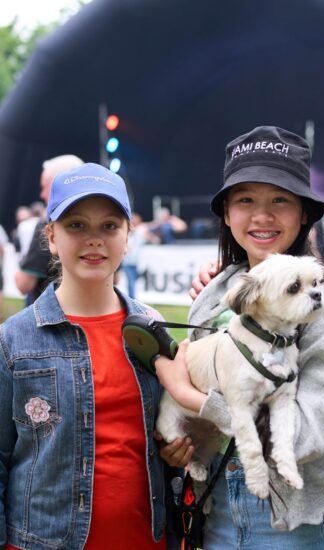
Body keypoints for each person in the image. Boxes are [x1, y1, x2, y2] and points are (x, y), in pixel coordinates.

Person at [154, 126, 324, 549]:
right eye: (245, 199)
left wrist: (191, 397)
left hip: (289, 526)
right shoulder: (214, 295)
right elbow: (201, 426)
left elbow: (309, 433)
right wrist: (183, 444)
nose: (262, 215)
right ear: (227, 213)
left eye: (280, 200)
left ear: (304, 212)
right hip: (216, 517)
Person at [0, 163, 192, 549]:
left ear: (127, 238)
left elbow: (166, 436)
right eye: (76, 225)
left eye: (109, 226)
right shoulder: (13, 341)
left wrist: (176, 448)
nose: (94, 239)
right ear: (51, 236)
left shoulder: (150, 328)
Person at [15, 155, 85, 303]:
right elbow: (116, 277)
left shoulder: (48, 224)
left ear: (58, 187)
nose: (42, 194)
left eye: (44, 187)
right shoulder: (103, 227)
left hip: (49, 314)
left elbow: (23, 284)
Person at [121, 212, 160, 299]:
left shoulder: (141, 231)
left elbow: (152, 237)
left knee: (134, 281)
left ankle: (132, 299)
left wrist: (154, 239)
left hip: (137, 263)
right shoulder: (126, 232)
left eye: (135, 220)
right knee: (131, 281)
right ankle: (132, 299)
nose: (133, 222)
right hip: (127, 262)